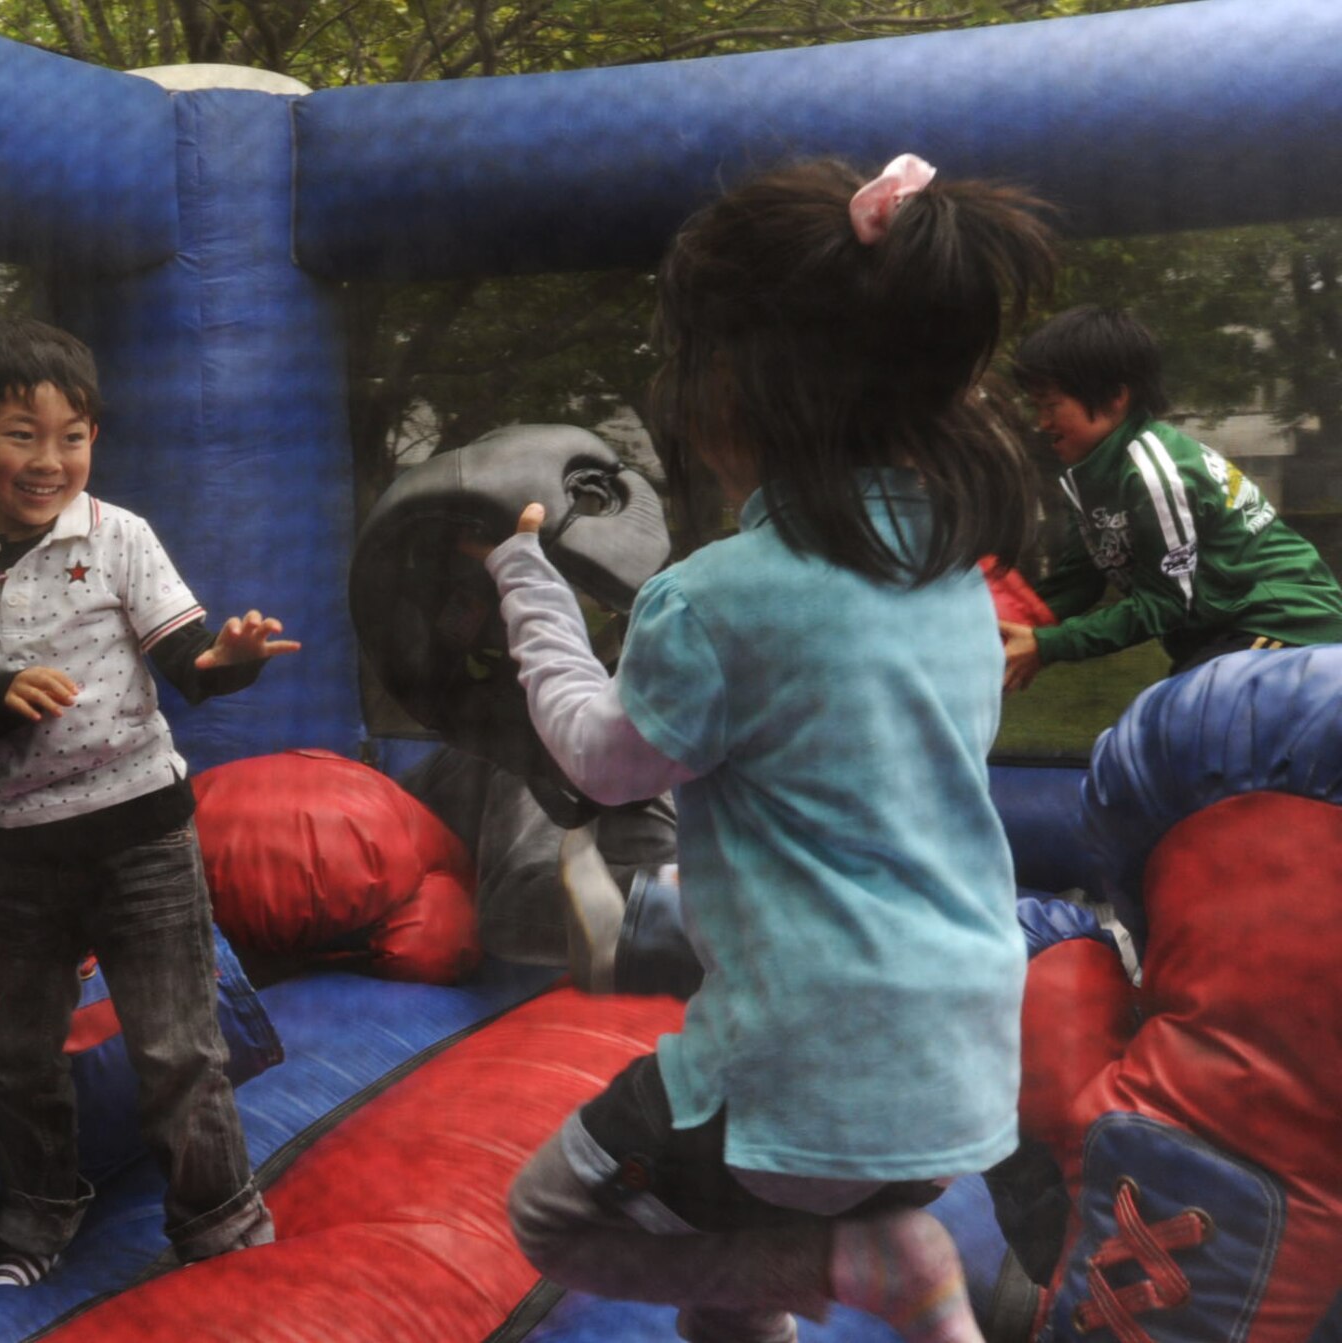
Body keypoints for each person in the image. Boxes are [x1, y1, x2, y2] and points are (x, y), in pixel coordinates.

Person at [478, 155, 1055, 1343]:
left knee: (552, 1213)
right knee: (717, 1257)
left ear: (731, 383)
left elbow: (601, 761)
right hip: (961, 1052)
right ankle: (824, 1257)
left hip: (804, 1067)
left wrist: (525, 588)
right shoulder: (951, 578)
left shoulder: (717, 598)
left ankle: (866, 1264)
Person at [0, 314, 296, 1287]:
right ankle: (39, 1215)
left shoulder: (118, 538)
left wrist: (229, 659)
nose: (49, 459)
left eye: (71, 436)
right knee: (18, 1045)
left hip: (143, 832)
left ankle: (221, 1223)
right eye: (20, 434)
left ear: (94, 439)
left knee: (175, 1044)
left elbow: (185, 663)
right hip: (25, 849)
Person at [1001, 304, 1342, 689]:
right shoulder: (1092, 479)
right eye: (1037, 407)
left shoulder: (1152, 475)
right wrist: (1008, 623)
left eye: (1051, 405)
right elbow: (1080, 581)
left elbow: (1163, 604)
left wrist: (1049, 645)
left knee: (1190, 709)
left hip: (1285, 625)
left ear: (1114, 396)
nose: (1042, 422)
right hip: (1228, 633)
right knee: (1179, 707)